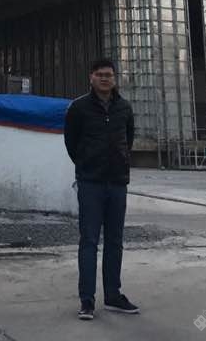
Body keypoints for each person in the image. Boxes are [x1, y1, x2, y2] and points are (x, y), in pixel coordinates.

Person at [64, 58, 139, 321]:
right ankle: (87, 300)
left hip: (117, 182)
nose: (105, 79)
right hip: (91, 183)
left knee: (115, 241)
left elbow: (128, 140)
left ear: (115, 78)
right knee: (89, 241)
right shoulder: (79, 108)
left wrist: (120, 163)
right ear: (91, 77)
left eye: (109, 75)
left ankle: (113, 296)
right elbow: (71, 142)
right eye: (100, 74)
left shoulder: (124, 108)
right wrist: (86, 164)